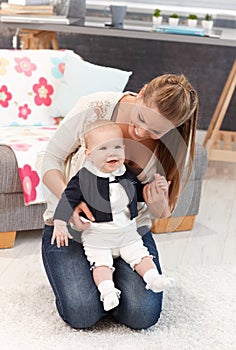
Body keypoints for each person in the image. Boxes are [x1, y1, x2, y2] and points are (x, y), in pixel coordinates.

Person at [37, 73, 198, 330]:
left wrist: (156, 203)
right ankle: (98, 284)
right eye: (142, 117)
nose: (141, 131)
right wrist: (71, 205)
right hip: (74, 227)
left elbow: (164, 211)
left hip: (127, 231)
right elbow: (49, 159)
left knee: (143, 314)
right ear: (142, 91)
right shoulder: (95, 107)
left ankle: (108, 284)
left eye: (156, 131)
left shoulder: (170, 147)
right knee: (82, 312)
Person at [52, 120, 174, 312]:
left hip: (126, 233)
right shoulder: (84, 177)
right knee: (101, 265)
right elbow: (68, 198)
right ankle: (108, 292)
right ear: (89, 154)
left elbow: (138, 192)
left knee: (141, 255)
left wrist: (152, 190)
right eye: (103, 148)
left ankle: (153, 279)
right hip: (98, 236)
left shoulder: (126, 174)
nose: (112, 152)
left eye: (117, 146)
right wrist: (60, 223)